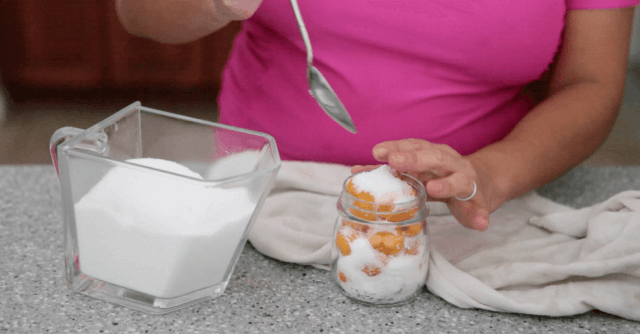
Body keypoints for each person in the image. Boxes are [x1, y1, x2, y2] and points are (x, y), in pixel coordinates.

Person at [116, 0, 637, 232]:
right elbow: (137, 13)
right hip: (263, 201)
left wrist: (492, 174)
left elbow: (590, 83)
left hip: (476, 215)